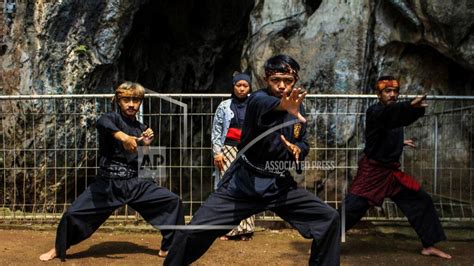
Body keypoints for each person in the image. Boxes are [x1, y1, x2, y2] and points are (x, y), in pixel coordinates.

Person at [164, 55, 340, 266]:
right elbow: (268, 106)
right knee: (191, 232)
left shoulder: (297, 107)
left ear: (295, 81)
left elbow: (303, 141)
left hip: (278, 185)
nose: (282, 85)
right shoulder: (257, 100)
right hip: (242, 185)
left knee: (329, 218)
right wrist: (282, 107)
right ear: (266, 79)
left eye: (288, 81)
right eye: (276, 80)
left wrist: (298, 149)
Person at [39, 82, 184, 261]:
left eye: (136, 100)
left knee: (172, 201)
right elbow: (102, 123)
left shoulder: (141, 127)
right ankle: (58, 249)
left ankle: (168, 248)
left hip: (134, 182)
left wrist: (146, 146)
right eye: (126, 99)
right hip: (108, 183)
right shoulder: (111, 118)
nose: (131, 104)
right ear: (118, 100)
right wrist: (123, 137)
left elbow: (144, 161)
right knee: (73, 214)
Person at [342, 76, 452, 259]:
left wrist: (401, 142)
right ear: (378, 94)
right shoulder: (375, 112)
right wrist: (410, 107)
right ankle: (323, 241)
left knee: (420, 200)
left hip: (391, 173)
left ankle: (429, 245)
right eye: (387, 91)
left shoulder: (394, 114)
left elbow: (389, 129)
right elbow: (390, 117)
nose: (392, 95)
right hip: (373, 173)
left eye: (395, 91)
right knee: (351, 209)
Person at [211, 72, 255, 241]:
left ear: (250, 87)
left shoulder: (254, 104)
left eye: (245, 85)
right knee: (228, 187)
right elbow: (216, 130)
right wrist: (217, 153)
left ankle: (246, 229)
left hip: (248, 150)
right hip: (228, 149)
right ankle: (227, 228)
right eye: (238, 85)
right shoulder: (224, 106)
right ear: (233, 86)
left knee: (248, 186)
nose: (242, 89)